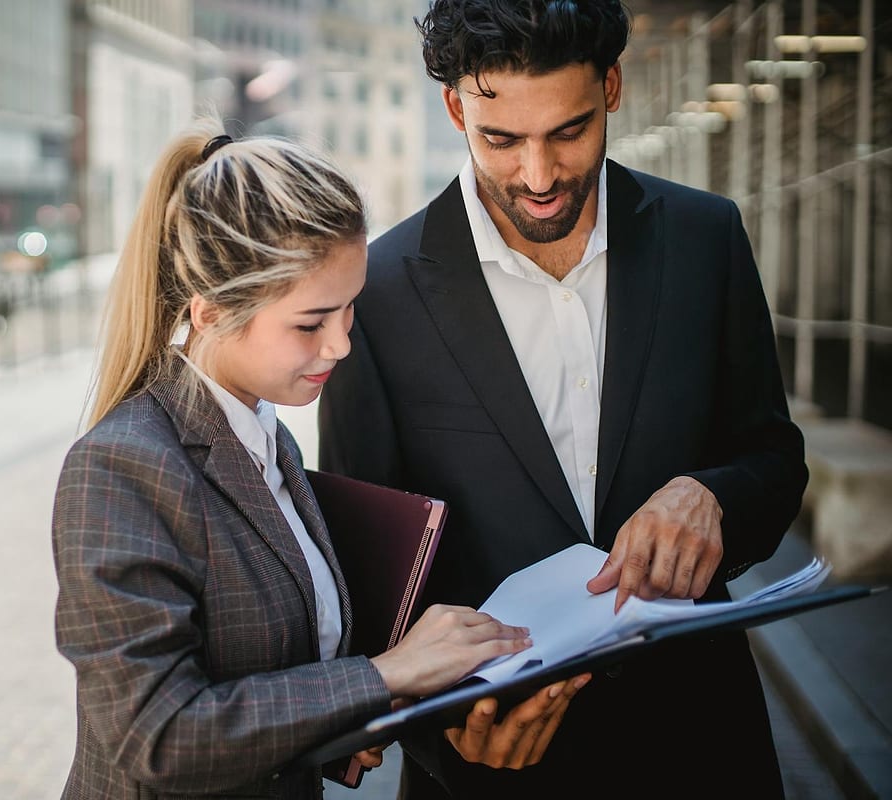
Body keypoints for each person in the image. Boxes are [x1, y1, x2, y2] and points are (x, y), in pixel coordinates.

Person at [317, 1, 809, 797]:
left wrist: (714, 495)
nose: (539, 176)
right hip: (490, 770)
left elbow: (775, 459)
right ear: (456, 110)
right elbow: (368, 576)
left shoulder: (706, 237)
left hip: (701, 742)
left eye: (569, 132)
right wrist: (447, 732)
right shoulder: (376, 294)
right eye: (502, 140)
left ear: (611, 87)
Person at [50, 118, 589, 800]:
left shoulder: (267, 436)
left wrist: (348, 722)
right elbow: (159, 738)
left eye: (349, 308)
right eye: (310, 323)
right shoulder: (120, 467)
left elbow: (274, 677)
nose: (341, 345)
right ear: (210, 312)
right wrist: (385, 676)